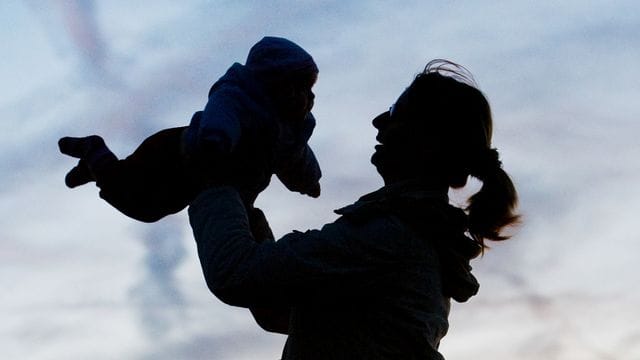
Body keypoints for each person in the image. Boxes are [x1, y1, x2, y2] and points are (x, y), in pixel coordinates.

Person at [187, 60, 520, 359]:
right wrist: (244, 203)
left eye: (395, 112)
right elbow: (280, 308)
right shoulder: (417, 237)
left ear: (427, 142)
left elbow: (237, 275)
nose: (379, 121)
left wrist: (215, 181)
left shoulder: (389, 234)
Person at [58, 36, 321, 222]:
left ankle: (95, 167)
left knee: (154, 208)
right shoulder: (241, 98)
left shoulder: (290, 133)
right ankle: (94, 152)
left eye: (310, 89)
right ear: (272, 84)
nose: (308, 97)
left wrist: (308, 180)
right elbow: (223, 111)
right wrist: (217, 137)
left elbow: (296, 159)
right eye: (299, 88)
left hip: (208, 188)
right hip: (173, 156)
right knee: (136, 200)